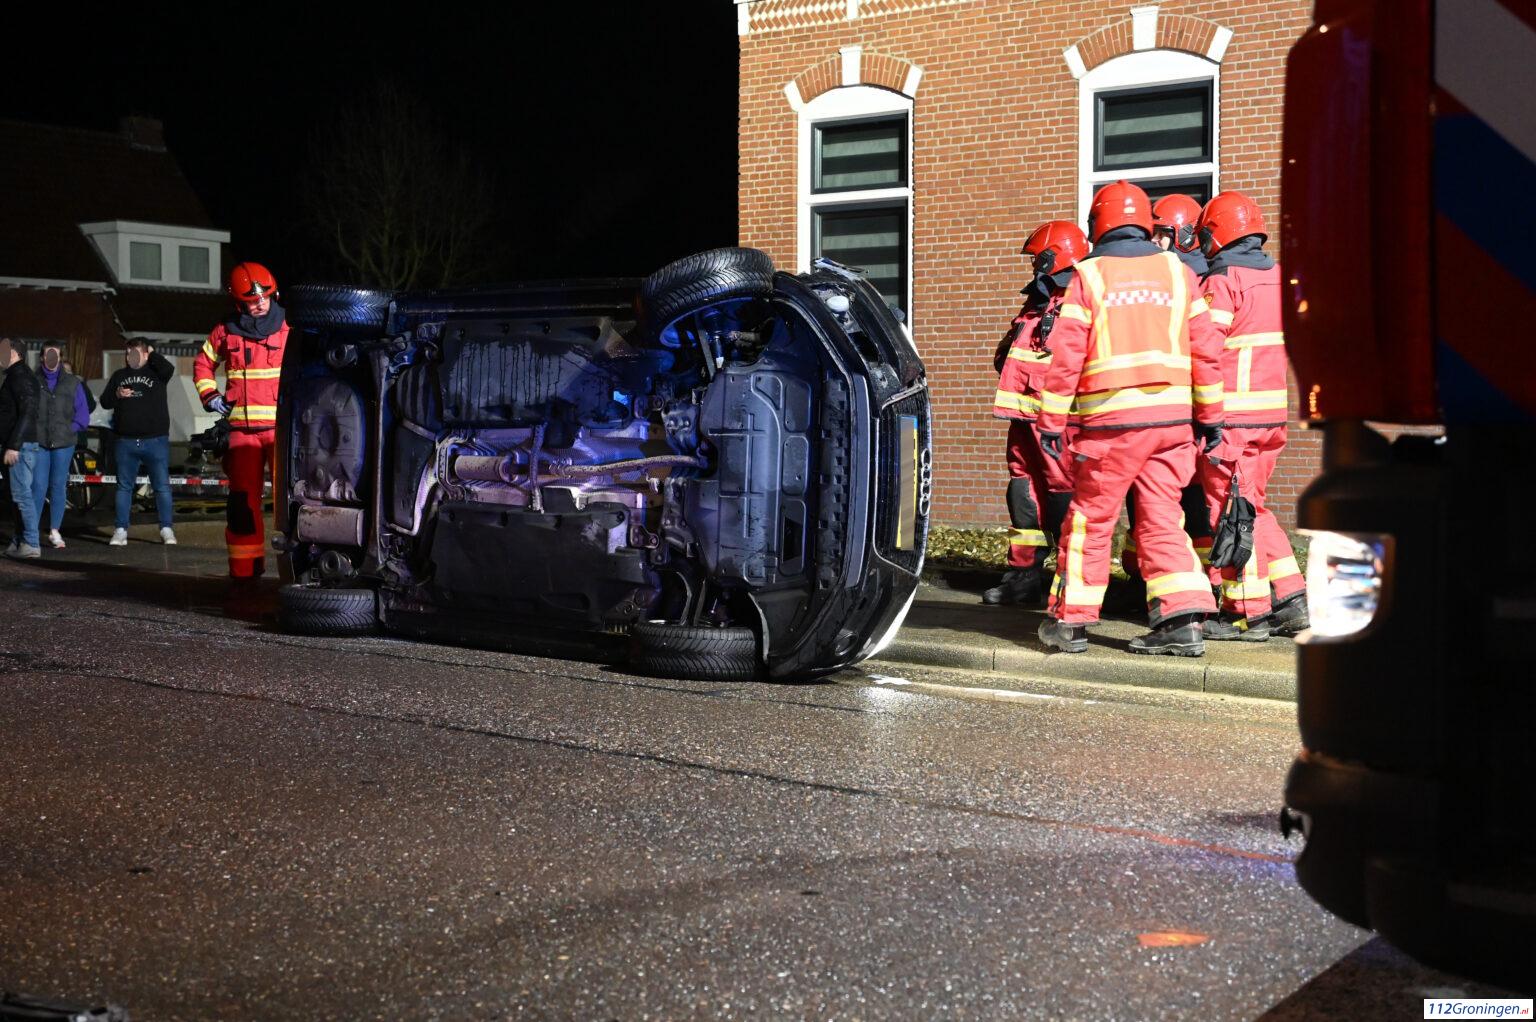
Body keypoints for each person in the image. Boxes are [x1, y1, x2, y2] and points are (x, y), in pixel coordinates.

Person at [1034, 180, 1226, 656]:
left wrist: (1051, 422)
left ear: (1099, 222)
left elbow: (1067, 357)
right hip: (1171, 425)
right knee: (1163, 517)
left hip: (1109, 428)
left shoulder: (1090, 275)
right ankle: (1182, 620)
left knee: (1091, 520)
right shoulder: (1178, 273)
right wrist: (1212, 418)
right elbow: (1206, 349)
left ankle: (1071, 621)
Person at [1194, 191, 1309, 640]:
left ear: (1216, 233)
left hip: (1230, 420)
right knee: (1254, 509)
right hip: (1271, 416)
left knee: (1231, 513)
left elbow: (1205, 348)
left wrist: (1202, 414)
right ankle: (1292, 598)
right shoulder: (1281, 276)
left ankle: (1247, 611)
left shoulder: (1223, 279)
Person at [986, 219, 1087, 605]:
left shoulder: (1079, 298)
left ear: (1053, 256)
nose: (1033, 268)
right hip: (1023, 417)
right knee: (1022, 491)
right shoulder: (1040, 300)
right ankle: (1024, 574)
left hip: (1058, 420)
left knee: (1063, 493)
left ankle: (1069, 579)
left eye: (1037, 259)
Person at [1122, 193, 1217, 584]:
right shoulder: (1169, 277)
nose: (1155, 242)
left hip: (1186, 414)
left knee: (1188, 505)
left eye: (1163, 234)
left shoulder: (1193, 281)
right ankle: (1149, 579)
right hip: (1176, 411)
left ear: (1183, 235)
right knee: (1152, 503)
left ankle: (1199, 587)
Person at [194, 261, 288, 579]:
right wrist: (211, 396)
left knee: (291, 504)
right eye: (253, 300)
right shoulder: (226, 329)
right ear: (239, 301)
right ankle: (244, 571)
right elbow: (203, 363)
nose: (261, 303)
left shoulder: (290, 327)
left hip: (282, 432)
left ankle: (302, 571)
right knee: (241, 507)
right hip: (241, 432)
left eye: (265, 297)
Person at [99, 338, 177, 547]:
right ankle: (121, 529)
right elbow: (105, 401)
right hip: (125, 441)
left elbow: (169, 369)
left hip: (155, 440)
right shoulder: (119, 376)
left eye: (134, 353)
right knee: (124, 487)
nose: (128, 357)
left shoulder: (157, 373)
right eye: (127, 353)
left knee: (161, 487)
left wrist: (151, 353)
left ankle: (166, 528)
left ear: (144, 354)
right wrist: (117, 394)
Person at [31, 342, 91, 548]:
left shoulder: (73, 382)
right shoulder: (32, 381)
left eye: (55, 355)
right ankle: (31, 532)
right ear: (41, 358)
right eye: (48, 355)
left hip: (64, 443)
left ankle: (55, 530)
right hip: (39, 441)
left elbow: (83, 412)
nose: (51, 359)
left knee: (58, 487)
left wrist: (71, 429)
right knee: (38, 486)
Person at [0, 337, 42, 558]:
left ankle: (32, 543)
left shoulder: (20, 377)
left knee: (21, 495)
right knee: (16, 496)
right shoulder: (17, 376)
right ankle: (20, 541)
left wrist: (14, 445)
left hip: (19, 446)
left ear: (14, 353)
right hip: (16, 444)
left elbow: (28, 411)